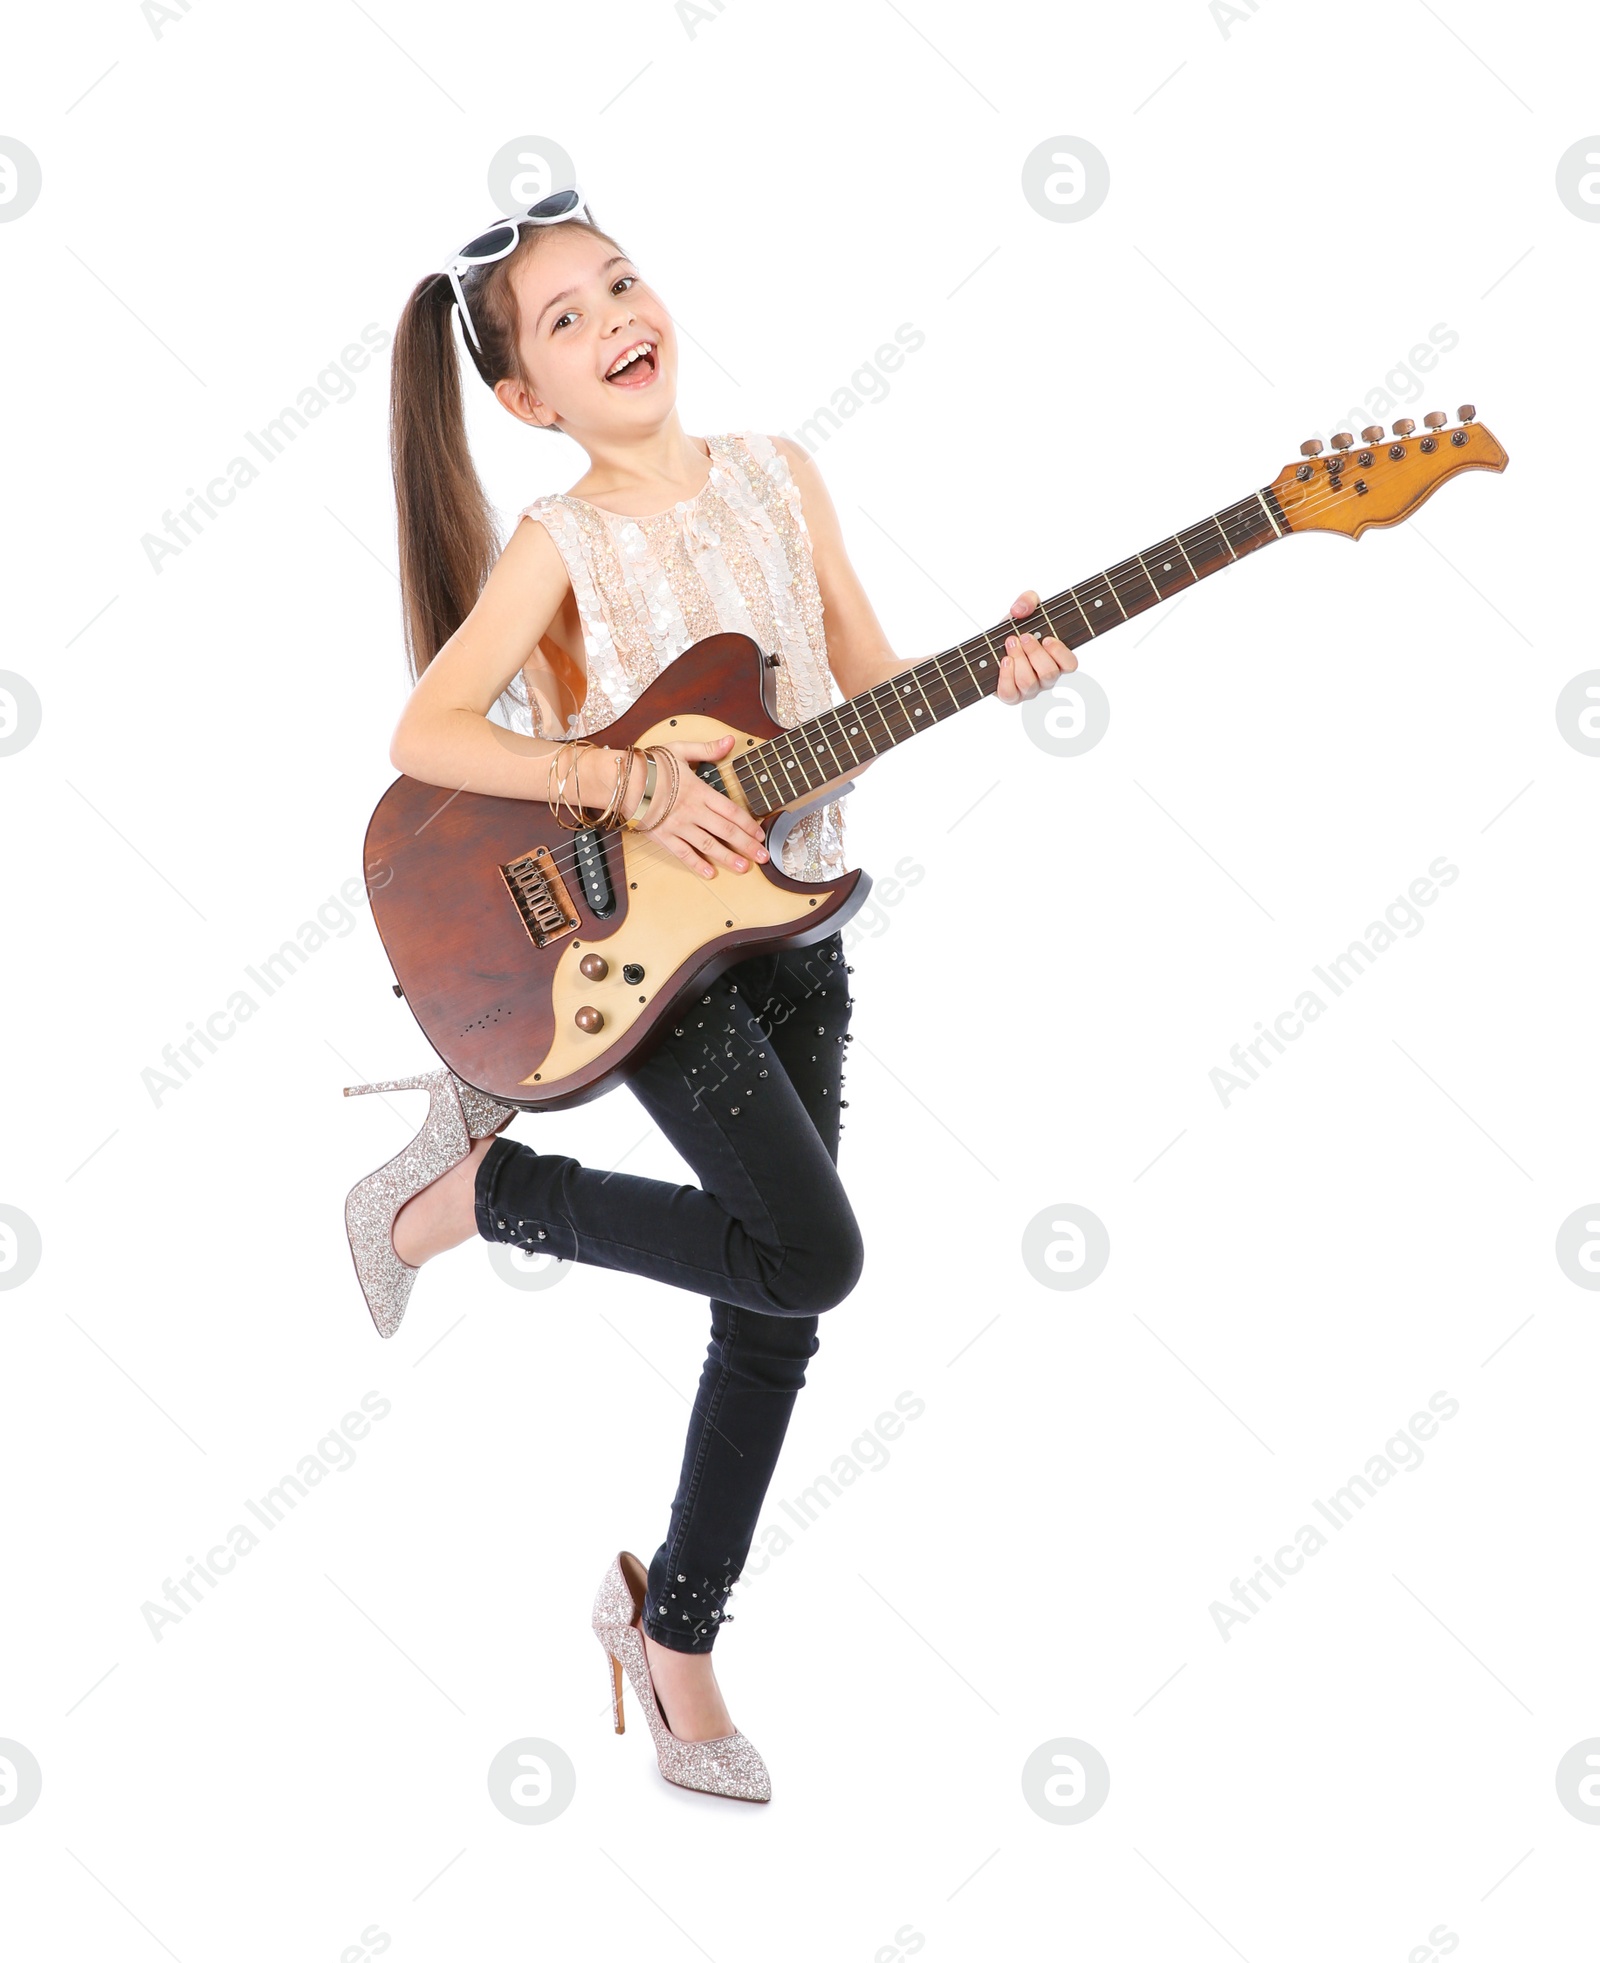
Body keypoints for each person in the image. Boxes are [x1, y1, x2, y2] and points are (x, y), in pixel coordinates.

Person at [342, 188, 1074, 1802]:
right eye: (565, 317)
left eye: (621, 281)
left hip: (794, 929)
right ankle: (492, 1186)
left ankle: (665, 1633)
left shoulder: (779, 472)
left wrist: (1006, 660)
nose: (615, 318)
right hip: (648, 961)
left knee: (776, 1302)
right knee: (816, 1252)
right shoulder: (561, 542)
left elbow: (869, 694)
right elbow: (429, 736)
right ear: (529, 399)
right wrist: (623, 782)